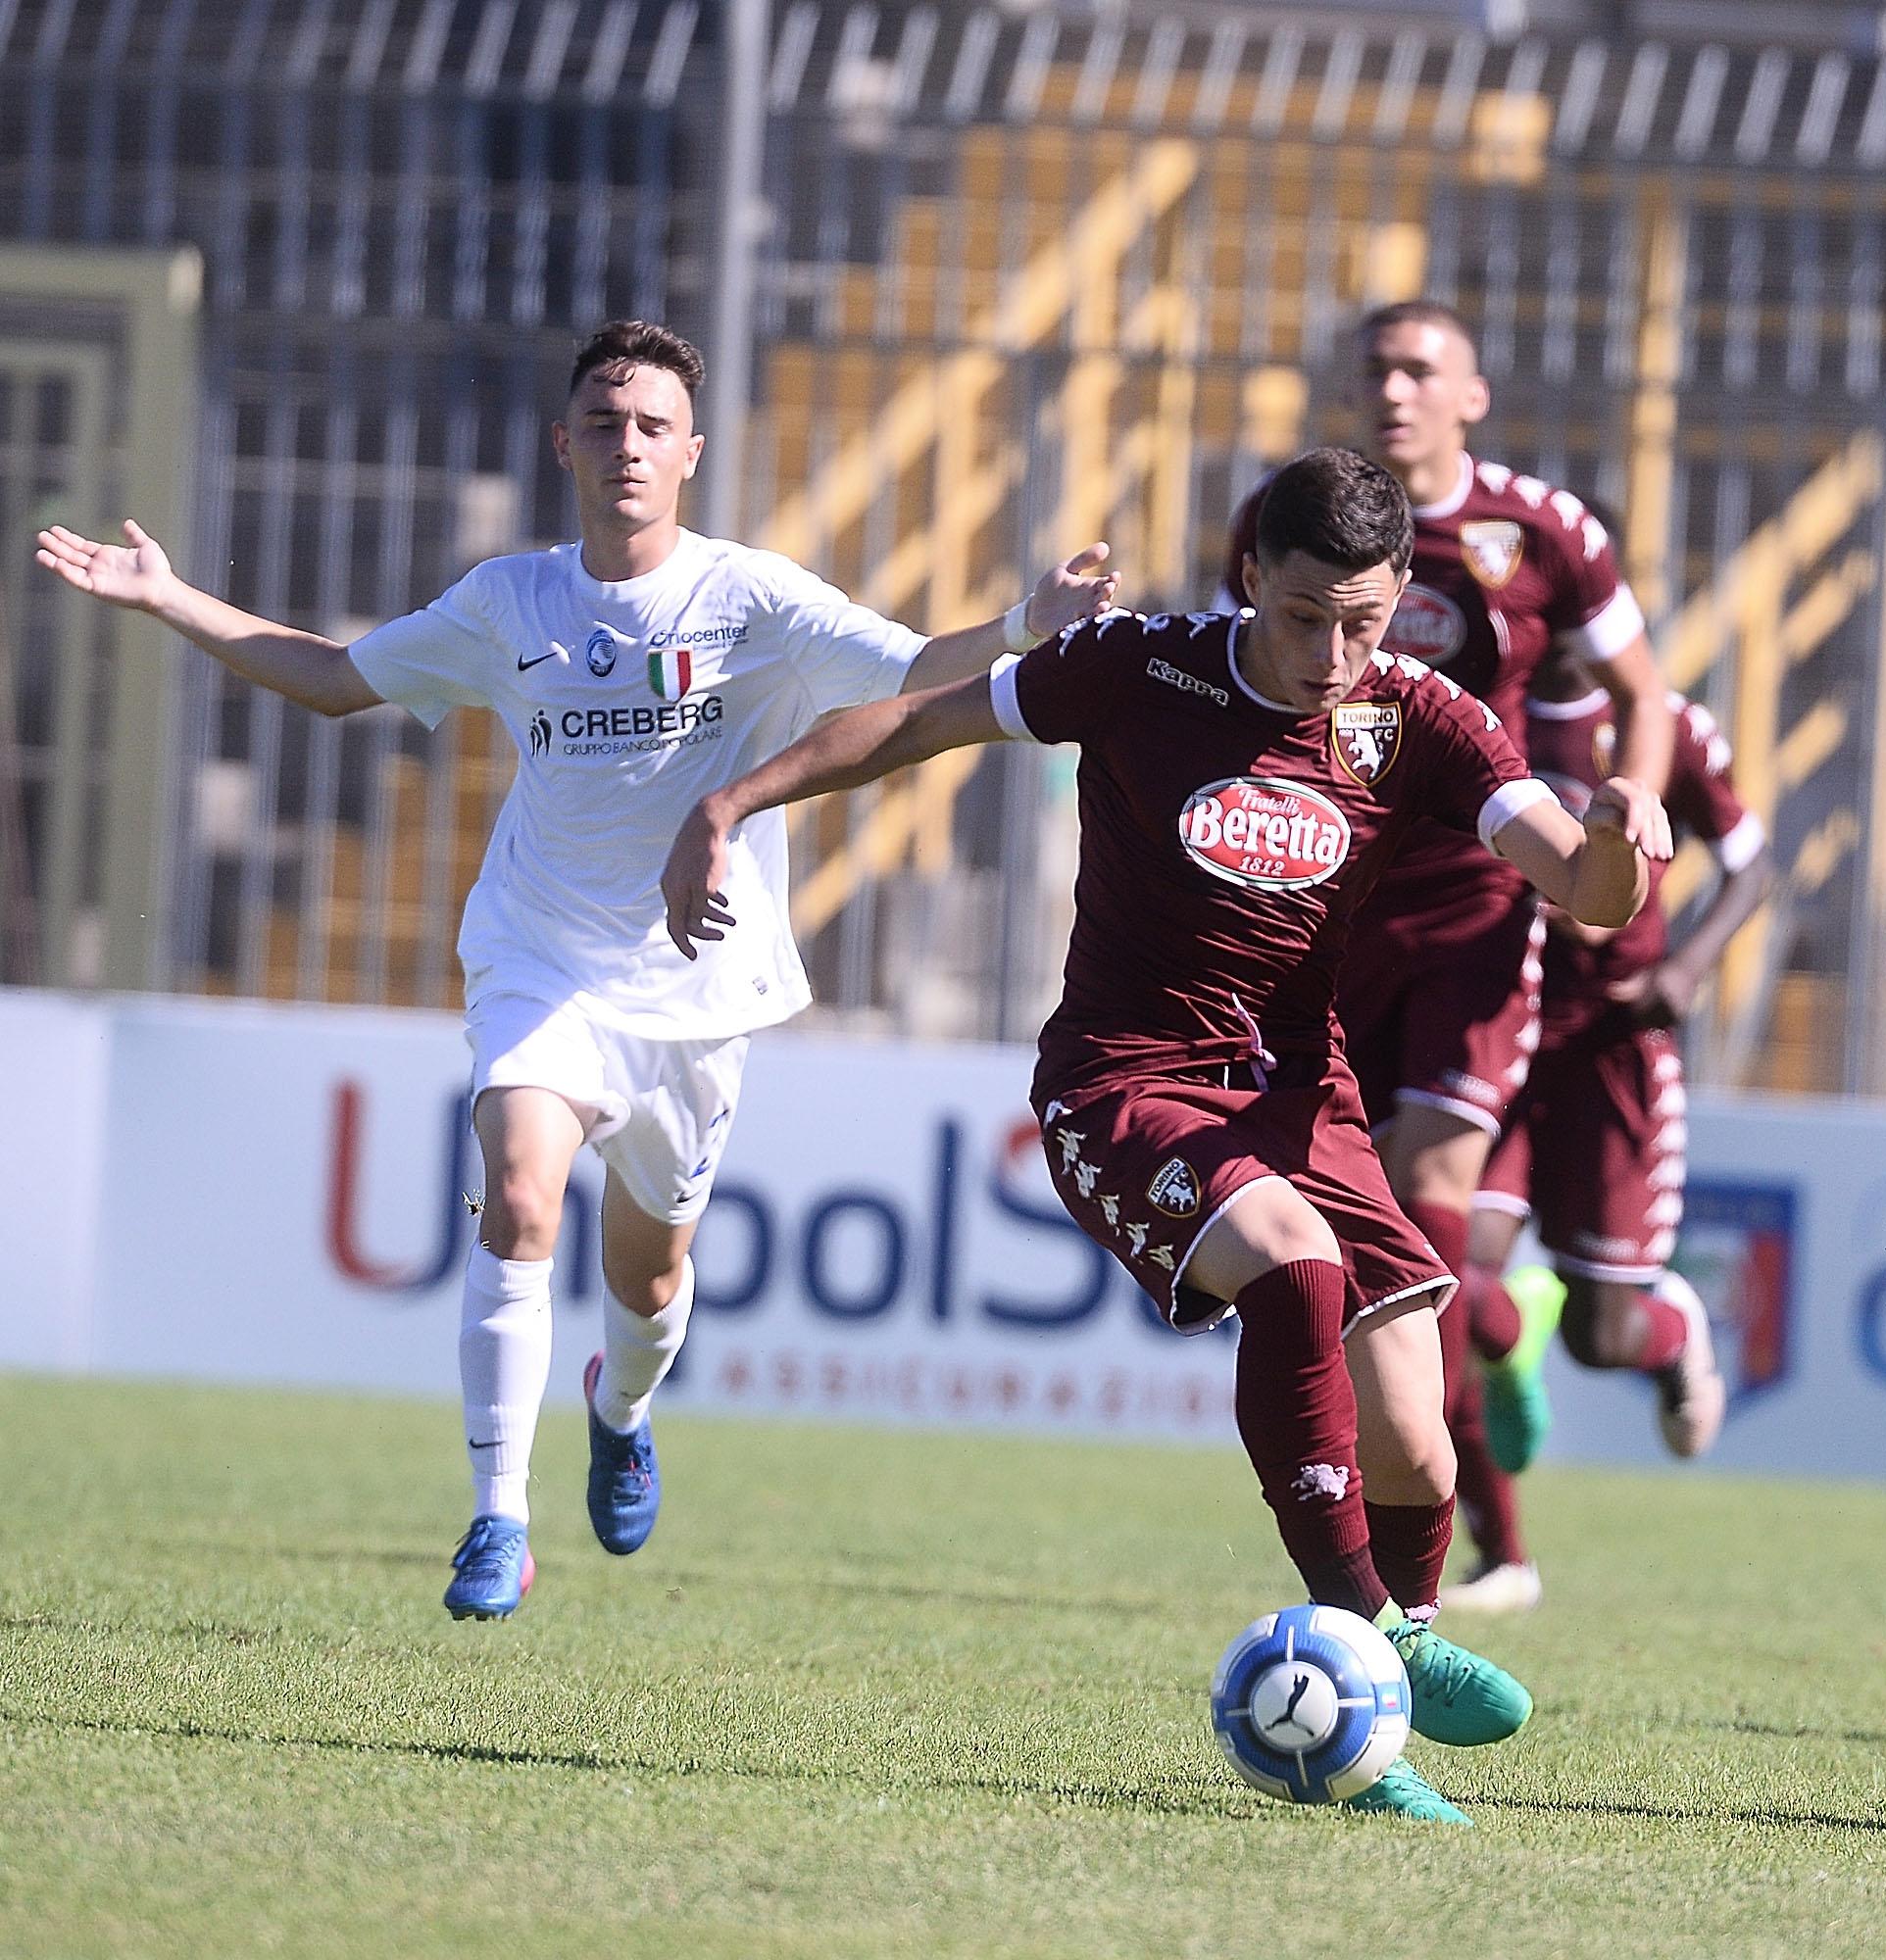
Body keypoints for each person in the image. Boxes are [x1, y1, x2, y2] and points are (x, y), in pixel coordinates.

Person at [35, 319, 1116, 1621]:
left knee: (649, 1279)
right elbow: (333, 681)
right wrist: (168, 597)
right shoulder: (509, 603)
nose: (627, 446)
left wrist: (1024, 625)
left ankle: (624, 1407)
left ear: (692, 452)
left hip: (696, 991)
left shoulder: (751, 600)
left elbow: (905, 673)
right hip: (540, 958)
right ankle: (498, 1517)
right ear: (564, 445)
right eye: (604, 423)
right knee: (521, 1197)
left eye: (653, 426)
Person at [662, 445, 1671, 1826]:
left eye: (1365, 622)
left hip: (1301, 1103)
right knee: (1291, 1260)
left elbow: (1576, 878)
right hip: (1123, 1084)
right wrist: (725, 807)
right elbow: (914, 727)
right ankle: (1373, 1645)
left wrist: (1619, 841)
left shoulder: (1416, 716)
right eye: (1309, 614)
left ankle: (1388, 1687)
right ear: (1253, 576)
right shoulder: (1140, 671)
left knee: (1419, 1456)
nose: (1334, 652)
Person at [1221, 302, 1686, 1574]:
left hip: (1486, 901)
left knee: (1428, 1204)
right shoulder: (1298, 521)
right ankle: (1491, 1349)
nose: (1395, 389)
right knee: (1366, 1225)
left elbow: (1644, 694)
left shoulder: (1543, 530)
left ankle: (1487, 1551)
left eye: (1422, 369)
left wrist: (1632, 804)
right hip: (1332, 904)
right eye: (1375, 367)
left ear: (1472, 394)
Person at [1445, 671, 1775, 1615]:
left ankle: (1668, 1332)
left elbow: (1750, 862)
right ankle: (1502, 1557)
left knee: (1602, 1337)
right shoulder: (1472, 702)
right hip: (1491, 1029)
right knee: (1446, 1284)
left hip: (1610, 1047)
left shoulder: (1657, 728)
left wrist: (1688, 965)